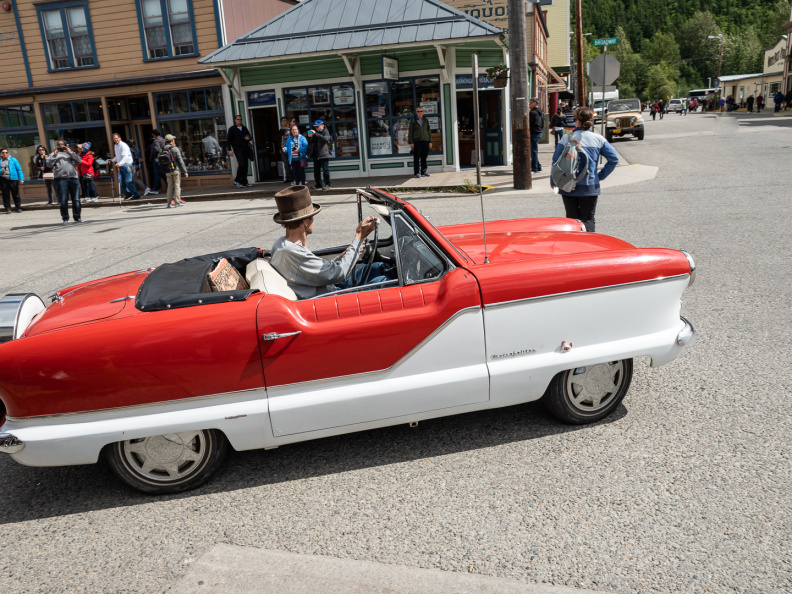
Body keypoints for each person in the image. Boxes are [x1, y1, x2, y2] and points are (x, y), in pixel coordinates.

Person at [269, 185, 394, 299]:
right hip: (330, 299)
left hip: (329, 288)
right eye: (312, 217)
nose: (313, 221)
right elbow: (340, 273)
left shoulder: (282, 244)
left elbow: (322, 271)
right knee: (384, 281)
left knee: (378, 268)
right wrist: (359, 237)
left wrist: (346, 253)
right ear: (305, 222)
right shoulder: (291, 251)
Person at [549, 106, 618, 233]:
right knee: (588, 219)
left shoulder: (566, 138)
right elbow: (614, 159)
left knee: (572, 220)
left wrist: (554, 181)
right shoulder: (598, 139)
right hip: (590, 185)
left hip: (568, 185)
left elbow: (555, 162)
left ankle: (575, 247)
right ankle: (589, 247)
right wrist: (600, 176)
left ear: (577, 121)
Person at [47, 139, 83, 224]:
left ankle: (77, 217)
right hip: (61, 179)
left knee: (76, 199)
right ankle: (65, 218)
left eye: (62, 144)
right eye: (58, 145)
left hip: (73, 178)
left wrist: (70, 152)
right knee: (63, 200)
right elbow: (49, 165)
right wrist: (55, 155)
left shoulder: (71, 153)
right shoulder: (53, 155)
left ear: (65, 145)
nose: (60, 146)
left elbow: (79, 161)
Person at [160, 134, 188, 208]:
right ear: (172, 140)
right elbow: (180, 160)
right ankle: (177, 202)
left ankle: (169, 203)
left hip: (167, 170)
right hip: (175, 169)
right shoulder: (175, 149)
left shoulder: (163, 149)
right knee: (177, 186)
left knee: (169, 186)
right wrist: (185, 171)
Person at [110, 133, 140, 200]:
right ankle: (128, 193)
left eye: (116, 138)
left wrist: (119, 163)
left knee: (128, 181)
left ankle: (136, 194)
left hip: (127, 165)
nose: (115, 140)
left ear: (120, 138)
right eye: (114, 139)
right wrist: (112, 160)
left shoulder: (123, 145)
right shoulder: (116, 146)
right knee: (120, 181)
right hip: (121, 165)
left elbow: (125, 157)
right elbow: (118, 156)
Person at [226, 114, 253, 188]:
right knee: (242, 164)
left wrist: (248, 138)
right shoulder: (232, 129)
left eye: (240, 119)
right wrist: (229, 150)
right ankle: (237, 180)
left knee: (245, 166)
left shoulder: (244, 128)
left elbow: (250, 136)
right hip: (237, 149)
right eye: (238, 119)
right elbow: (228, 140)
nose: (239, 120)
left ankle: (244, 182)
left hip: (245, 149)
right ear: (235, 120)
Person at [307, 120, 332, 190]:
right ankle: (318, 184)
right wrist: (310, 137)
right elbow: (310, 142)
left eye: (317, 127)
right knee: (316, 171)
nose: (316, 128)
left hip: (324, 154)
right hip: (316, 155)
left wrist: (316, 134)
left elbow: (326, 138)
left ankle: (328, 184)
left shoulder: (325, 131)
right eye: (315, 127)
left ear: (322, 125)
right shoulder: (316, 133)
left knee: (325, 170)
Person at [408, 107, 432, 178]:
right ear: (416, 112)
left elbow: (429, 131)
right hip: (417, 142)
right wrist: (411, 142)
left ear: (423, 112)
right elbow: (410, 132)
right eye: (418, 111)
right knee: (416, 158)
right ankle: (416, 173)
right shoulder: (413, 120)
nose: (419, 113)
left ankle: (423, 172)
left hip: (425, 141)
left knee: (424, 158)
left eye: (421, 111)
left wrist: (430, 141)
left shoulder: (426, 120)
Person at [1, 147, 24, 214]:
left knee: (16, 194)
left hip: (13, 179)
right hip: (3, 179)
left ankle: (18, 207)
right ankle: (8, 208)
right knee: (5, 194)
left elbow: (19, 169)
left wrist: (21, 178)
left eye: (6, 152)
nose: (5, 154)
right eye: (3, 152)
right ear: (0, 154)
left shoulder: (13, 160)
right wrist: (1, 171)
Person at [146, 129, 166, 194]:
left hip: (158, 160)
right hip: (163, 160)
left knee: (157, 175)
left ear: (154, 135)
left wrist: (153, 157)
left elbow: (156, 150)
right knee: (163, 174)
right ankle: (172, 187)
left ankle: (156, 189)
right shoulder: (163, 140)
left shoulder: (156, 141)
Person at [528, 98, 544, 173]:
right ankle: (539, 167)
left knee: (533, 151)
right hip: (539, 133)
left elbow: (528, 123)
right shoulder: (540, 112)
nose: (529, 105)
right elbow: (543, 124)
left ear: (534, 103)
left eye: (530, 103)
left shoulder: (533, 113)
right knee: (534, 150)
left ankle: (534, 169)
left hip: (534, 133)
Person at [278, 117, 292, 183]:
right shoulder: (281, 130)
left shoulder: (290, 129)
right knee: (286, 163)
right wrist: (280, 148)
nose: (284, 122)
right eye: (282, 121)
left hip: (291, 148)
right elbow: (279, 140)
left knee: (292, 163)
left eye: (285, 120)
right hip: (284, 148)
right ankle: (288, 177)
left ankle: (294, 177)